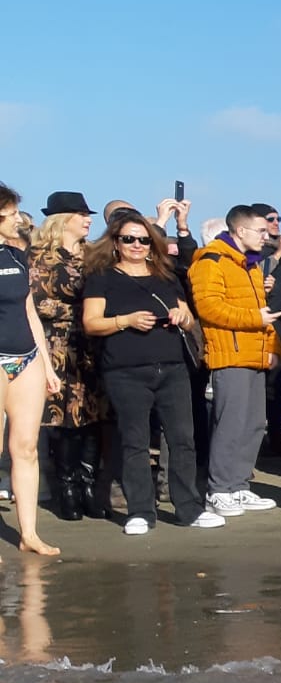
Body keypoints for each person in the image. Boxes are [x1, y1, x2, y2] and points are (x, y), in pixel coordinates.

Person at [79, 209, 216, 537]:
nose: (137, 245)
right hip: (126, 371)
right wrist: (125, 320)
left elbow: (189, 318)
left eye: (143, 240)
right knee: (135, 441)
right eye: (129, 239)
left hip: (172, 367)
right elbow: (90, 322)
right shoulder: (102, 277)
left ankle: (189, 508)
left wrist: (183, 317)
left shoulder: (166, 276)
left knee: (183, 440)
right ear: (116, 242)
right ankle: (140, 510)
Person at [188, 204, 281, 520]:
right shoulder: (211, 260)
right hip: (229, 354)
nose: (266, 236)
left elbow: (262, 311)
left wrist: (273, 347)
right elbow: (209, 308)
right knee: (229, 424)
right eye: (260, 231)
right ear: (240, 231)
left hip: (255, 354)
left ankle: (239, 485)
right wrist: (253, 319)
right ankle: (219, 490)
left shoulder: (251, 265)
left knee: (254, 422)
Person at [31, 191, 108, 523]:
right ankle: (67, 490)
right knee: (65, 420)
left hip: (93, 346)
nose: (89, 219)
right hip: (58, 347)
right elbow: (35, 304)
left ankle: (89, 484)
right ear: (63, 220)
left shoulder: (94, 256)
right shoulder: (39, 257)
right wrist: (82, 310)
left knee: (94, 418)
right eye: (81, 214)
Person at [0, 183, 63, 551]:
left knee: (26, 447)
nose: (15, 220)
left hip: (26, 356)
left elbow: (29, 311)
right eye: (8, 214)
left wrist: (47, 363)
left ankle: (29, 535)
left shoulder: (16, 255)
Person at [251, 203, 281, 459]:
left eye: (279, 218)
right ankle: (262, 440)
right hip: (266, 322)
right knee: (266, 384)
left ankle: (277, 436)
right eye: (271, 219)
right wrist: (280, 250)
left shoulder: (273, 250)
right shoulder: (258, 250)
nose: (277, 223)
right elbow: (258, 276)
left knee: (279, 382)